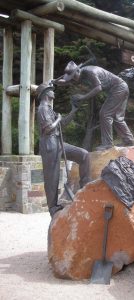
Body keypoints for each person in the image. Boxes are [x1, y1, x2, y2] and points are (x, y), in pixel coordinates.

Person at [36, 83, 91, 217]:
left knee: (84, 155)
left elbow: (63, 123)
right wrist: (58, 119)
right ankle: (53, 207)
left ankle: (85, 188)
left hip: (58, 142)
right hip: (49, 144)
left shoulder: (49, 109)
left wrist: (73, 110)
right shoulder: (42, 109)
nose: (54, 93)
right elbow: (49, 128)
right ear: (46, 94)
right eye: (51, 91)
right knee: (52, 177)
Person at [53, 61, 134, 151]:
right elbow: (67, 81)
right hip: (120, 88)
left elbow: (98, 88)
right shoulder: (81, 74)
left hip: (119, 88)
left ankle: (107, 144)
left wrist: (83, 97)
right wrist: (55, 82)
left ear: (77, 71)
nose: (74, 79)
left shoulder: (90, 72)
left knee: (105, 114)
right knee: (117, 117)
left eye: (74, 76)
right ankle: (128, 140)